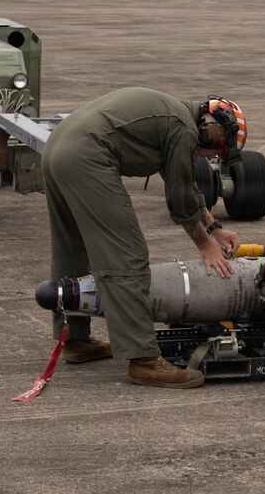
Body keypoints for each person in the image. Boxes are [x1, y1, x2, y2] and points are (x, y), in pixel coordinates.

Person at [41, 87, 244, 388]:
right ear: (213, 129)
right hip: (88, 155)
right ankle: (143, 360)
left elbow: (184, 183)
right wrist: (204, 245)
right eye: (217, 151)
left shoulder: (180, 118)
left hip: (58, 148)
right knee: (127, 254)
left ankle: (75, 340)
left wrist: (215, 228)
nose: (212, 157)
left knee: (73, 248)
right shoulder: (184, 130)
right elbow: (178, 200)